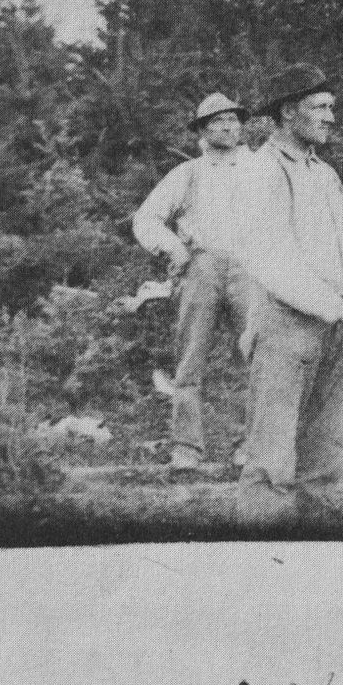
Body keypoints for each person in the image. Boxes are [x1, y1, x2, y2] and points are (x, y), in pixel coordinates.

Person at [226, 64, 343, 525]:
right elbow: (275, 268)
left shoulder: (326, 175)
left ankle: (315, 573)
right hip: (283, 331)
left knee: (326, 469)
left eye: (332, 107)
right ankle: (258, 577)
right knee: (271, 468)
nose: (332, 117)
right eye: (320, 107)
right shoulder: (258, 172)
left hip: (336, 332)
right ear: (287, 112)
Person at [130, 92, 256, 471]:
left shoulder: (259, 168)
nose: (228, 126)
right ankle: (187, 448)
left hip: (250, 269)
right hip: (201, 267)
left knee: (256, 356)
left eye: (233, 119)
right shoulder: (187, 174)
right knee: (190, 361)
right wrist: (173, 248)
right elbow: (146, 219)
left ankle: (250, 446)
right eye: (218, 121)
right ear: (202, 130)